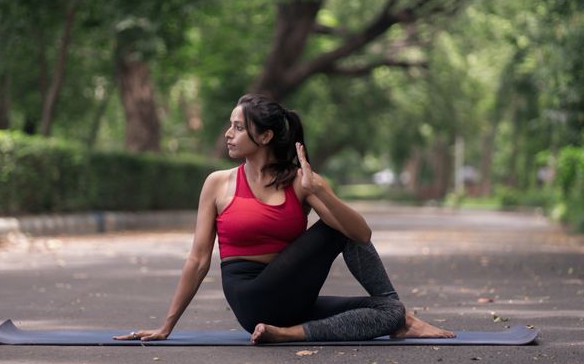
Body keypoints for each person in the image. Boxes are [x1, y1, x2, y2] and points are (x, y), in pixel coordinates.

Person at [115, 94, 455, 344]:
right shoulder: (218, 183)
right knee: (336, 232)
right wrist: (167, 325)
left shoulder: (300, 182)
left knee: (387, 312)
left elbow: (361, 234)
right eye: (230, 126)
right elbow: (199, 259)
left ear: (264, 137)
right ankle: (405, 315)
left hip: (293, 301)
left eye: (237, 127)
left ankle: (291, 333)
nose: (228, 134)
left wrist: (320, 190)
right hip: (252, 296)